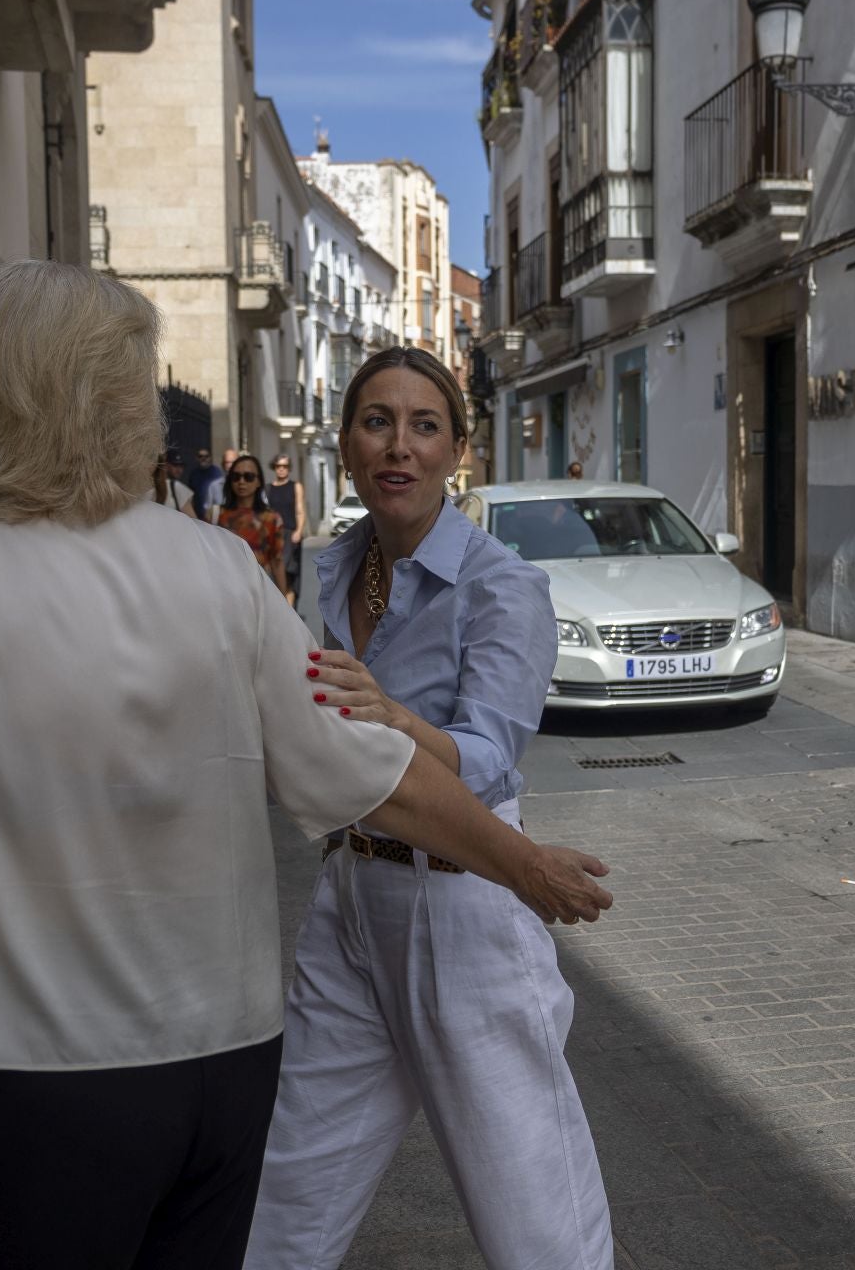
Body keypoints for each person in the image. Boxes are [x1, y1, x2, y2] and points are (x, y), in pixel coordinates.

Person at [0, 263, 612, 1270]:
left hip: (30, 1073)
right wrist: (524, 862)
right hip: (221, 1064)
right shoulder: (223, 568)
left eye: (425, 425)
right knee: (283, 1220)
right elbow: (363, 769)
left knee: (524, 1186)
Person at [245, 347, 616, 1270]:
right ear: (345, 444)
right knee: (286, 1188)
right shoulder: (332, 569)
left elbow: (488, 759)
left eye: (424, 426)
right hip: (351, 901)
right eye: (377, 421)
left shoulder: (503, 586)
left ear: (457, 449)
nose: (398, 446)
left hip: (464, 911)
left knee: (535, 1225)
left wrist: (395, 719)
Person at [217, 454, 287, 592]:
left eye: (248, 477)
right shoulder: (216, 515)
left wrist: (285, 605)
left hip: (259, 591)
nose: (241, 482)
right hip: (223, 589)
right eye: (236, 477)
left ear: (258, 481)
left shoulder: (272, 519)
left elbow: (277, 561)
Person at [268, 454, 306, 606]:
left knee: (289, 574)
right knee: (274, 575)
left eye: (285, 466)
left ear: (289, 468)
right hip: (273, 536)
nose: (281, 469)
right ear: (274, 468)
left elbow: (300, 510)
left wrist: (299, 530)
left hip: (290, 534)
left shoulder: (295, 486)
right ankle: (280, 610)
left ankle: (290, 612)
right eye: (278, 466)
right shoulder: (268, 488)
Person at [152, 449, 197, 516]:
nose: (179, 470)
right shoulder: (176, 486)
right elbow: (193, 520)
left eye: (181, 466)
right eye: (175, 465)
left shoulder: (176, 486)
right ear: (166, 465)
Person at [185, 445, 222, 513]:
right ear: (196, 458)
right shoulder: (193, 474)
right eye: (200, 456)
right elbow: (191, 496)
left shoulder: (217, 472)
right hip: (198, 515)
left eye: (206, 456)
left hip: (213, 515)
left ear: (210, 457)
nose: (203, 458)